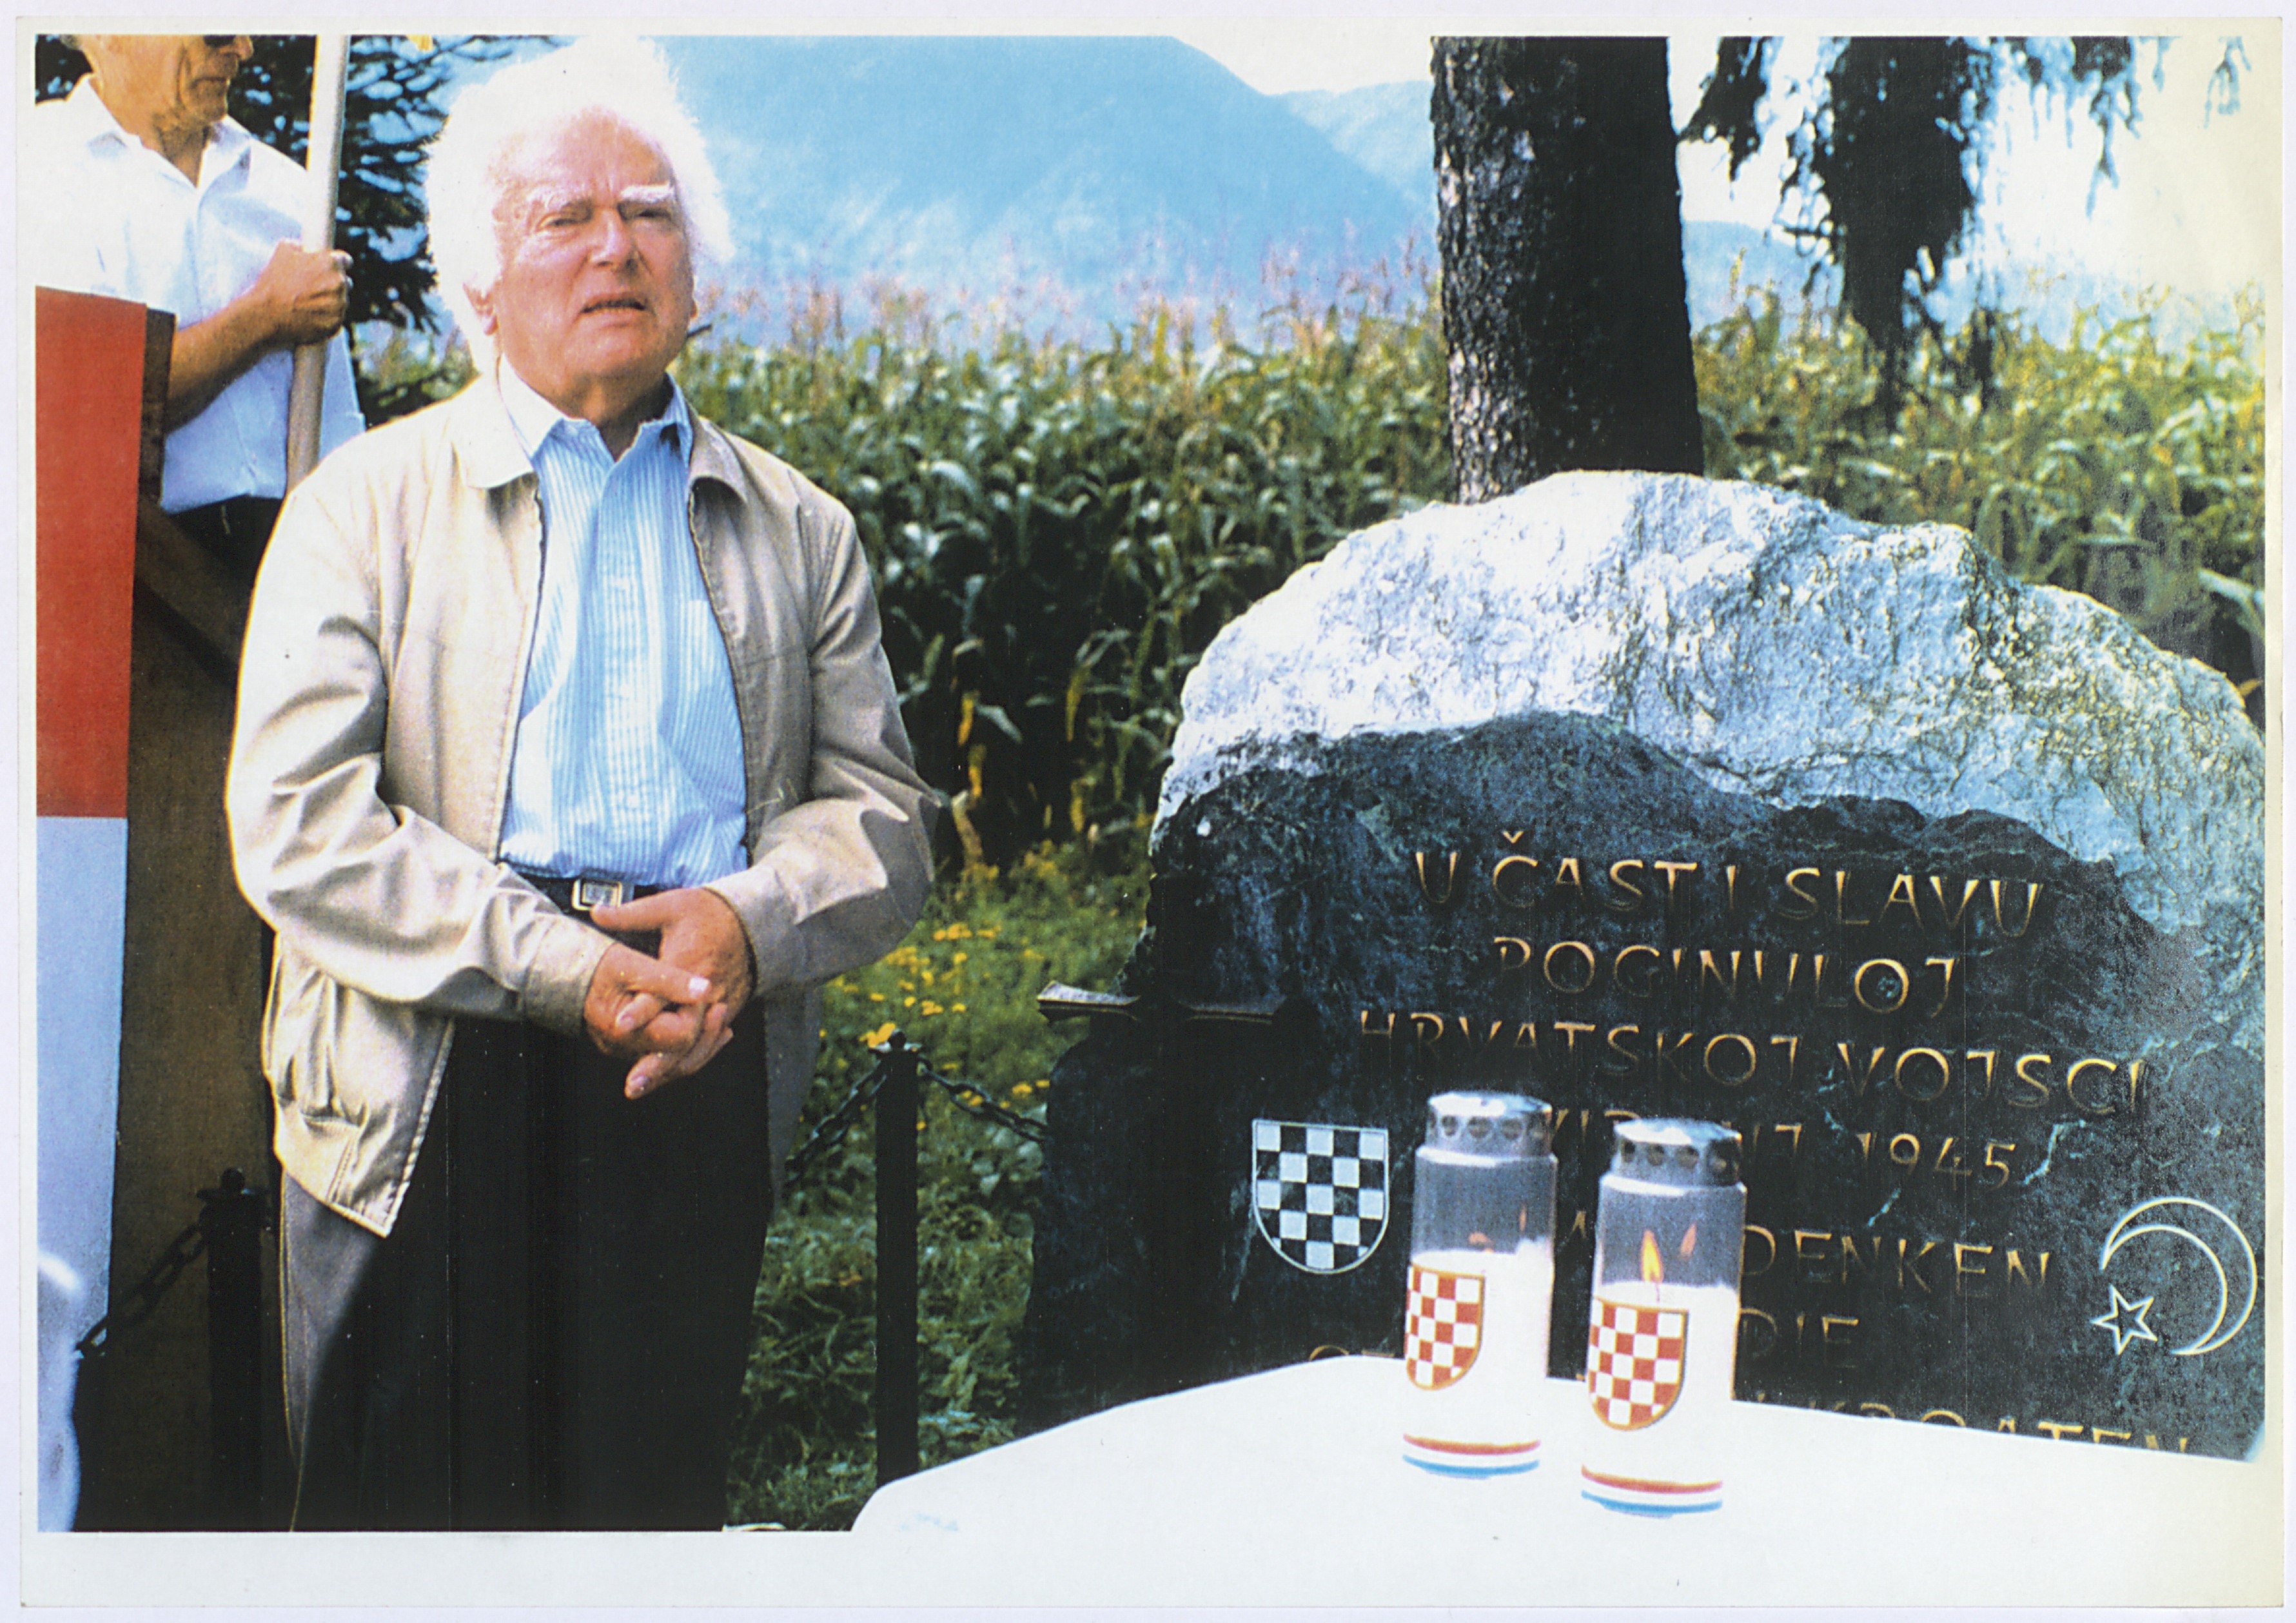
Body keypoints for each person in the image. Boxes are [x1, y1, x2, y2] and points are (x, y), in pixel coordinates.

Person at [224, 38, 937, 1530]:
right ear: (478, 280)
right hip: (425, 1075)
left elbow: (881, 816)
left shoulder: (796, 526)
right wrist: (561, 964)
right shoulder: (362, 506)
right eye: (564, 217)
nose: (616, 243)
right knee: (395, 1529)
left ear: (699, 272)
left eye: (653, 212)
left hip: (684, 1049)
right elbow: (298, 824)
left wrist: (746, 922)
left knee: (637, 1513)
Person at [26, 34, 365, 578]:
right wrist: (265, 316)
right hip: (137, 577)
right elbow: (87, 408)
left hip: (295, 561)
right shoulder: (37, 168)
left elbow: (339, 436)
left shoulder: (290, 190)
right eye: (214, 28)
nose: (243, 47)